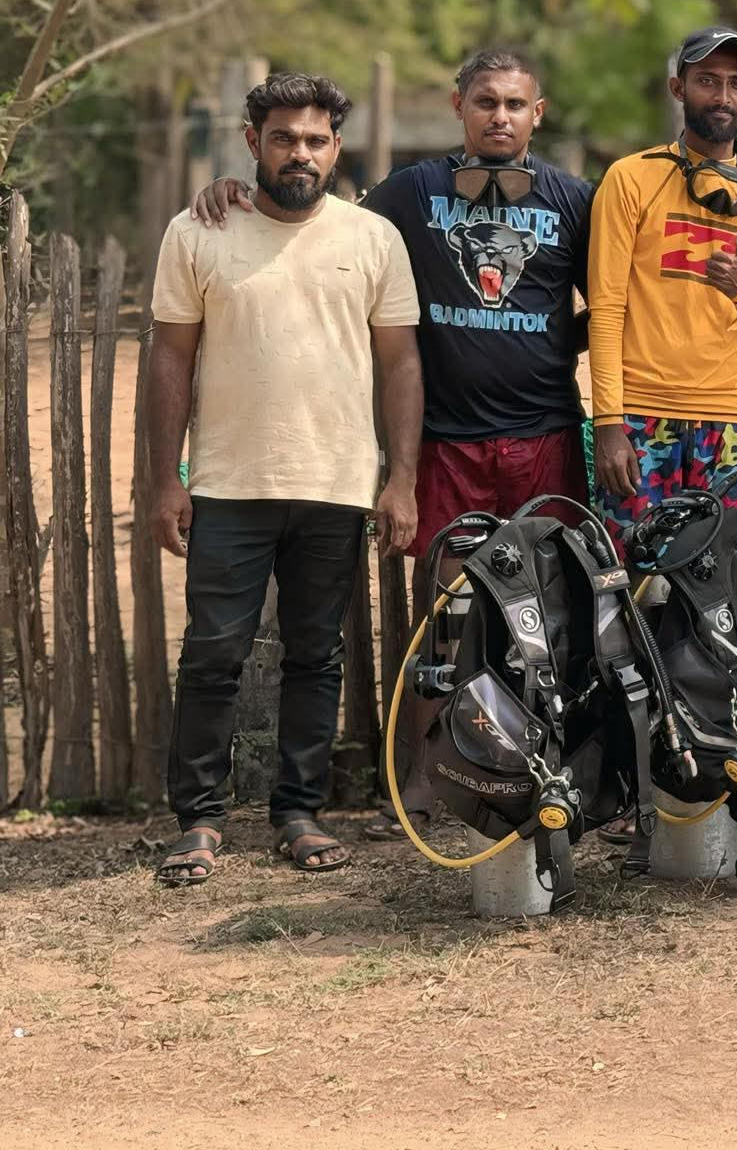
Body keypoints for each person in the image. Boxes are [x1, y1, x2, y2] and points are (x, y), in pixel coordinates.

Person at [191, 47, 596, 836]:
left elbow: (608, 303)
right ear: (458, 106)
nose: (500, 116)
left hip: (545, 433)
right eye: (485, 101)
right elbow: (317, 222)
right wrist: (235, 194)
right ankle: (421, 784)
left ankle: (563, 774)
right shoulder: (411, 193)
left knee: (551, 614)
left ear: (538, 113)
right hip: (448, 440)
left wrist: (554, 342)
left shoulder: (573, 200)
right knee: (442, 620)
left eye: (515, 104)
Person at [148, 72, 423, 885]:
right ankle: (199, 819)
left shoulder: (373, 239)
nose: (299, 153)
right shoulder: (199, 231)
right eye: (283, 139)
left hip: (336, 482)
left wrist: (401, 478)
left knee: (316, 656)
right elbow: (170, 358)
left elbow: (401, 363)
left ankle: (298, 812)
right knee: (212, 654)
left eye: (314, 140)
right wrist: (165, 480)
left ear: (336, 148)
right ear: (253, 143)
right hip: (228, 482)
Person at [588, 26, 737, 553]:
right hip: (638, 416)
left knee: (722, 575)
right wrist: (609, 423)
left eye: (736, 83)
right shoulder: (630, 179)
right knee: (633, 572)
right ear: (678, 88)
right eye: (707, 80)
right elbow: (606, 307)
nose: (722, 96)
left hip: (726, 423)